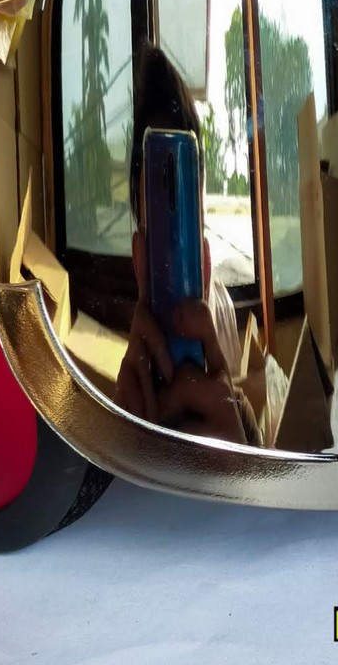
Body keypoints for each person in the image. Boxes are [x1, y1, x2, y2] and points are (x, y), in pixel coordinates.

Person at [116, 44, 269, 445]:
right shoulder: (118, 412)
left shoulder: (239, 420)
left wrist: (237, 461)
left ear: (204, 261)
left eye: (180, 230)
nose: (172, 256)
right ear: (139, 258)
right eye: (162, 236)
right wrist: (124, 447)